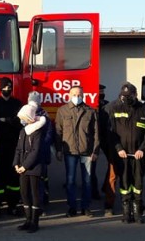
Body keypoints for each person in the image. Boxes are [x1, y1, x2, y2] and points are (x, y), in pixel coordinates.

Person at [108, 83, 145, 224]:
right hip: (122, 155)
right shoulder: (115, 109)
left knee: (138, 183)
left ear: (135, 95)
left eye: (130, 95)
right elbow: (111, 133)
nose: (127, 98)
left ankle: (138, 211)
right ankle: (126, 212)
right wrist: (118, 148)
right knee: (125, 183)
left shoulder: (144, 110)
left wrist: (143, 148)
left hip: (139, 155)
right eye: (124, 96)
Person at [55, 85, 99, 217]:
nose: (77, 97)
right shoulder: (62, 111)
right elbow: (58, 132)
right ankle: (72, 207)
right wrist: (58, 150)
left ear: (83, 95)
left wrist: (95, 151)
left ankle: (86, 207)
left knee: (87, 181)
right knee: (70, 180)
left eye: (79, 94)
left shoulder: (90, 111)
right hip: (70, 152)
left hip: (87, 151)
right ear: (69, 95)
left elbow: (96, 133)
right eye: (74, 94)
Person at [0, 77, 23, 216]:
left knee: (14, 178)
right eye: (5, 88)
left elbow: (20, 122)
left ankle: (13, 204)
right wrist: (10, 121)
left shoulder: (17, 104)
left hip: (15, 147)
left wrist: (7, 120)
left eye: (9, 88)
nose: (7, 90)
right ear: (0, 89)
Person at [13, 103, 47, 233]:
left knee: (35, 194)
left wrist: (25, 166)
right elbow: (18, 148)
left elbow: (35, 151)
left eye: (24, 118)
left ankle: (34, 222)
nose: (22, 120)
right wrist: (16, 163)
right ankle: (27, 220)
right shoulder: (23, 130)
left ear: (30, 118)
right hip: (22, 168)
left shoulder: (37, 131)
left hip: (34, 168)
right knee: (24, 193)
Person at [27, 91, 55, 209]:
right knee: (28, 181)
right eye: (32, 101)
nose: (34, 104)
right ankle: (29, 203)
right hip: (28, 153)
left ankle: (41, 204)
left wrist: (40, 145)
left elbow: (49, 134)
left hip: (42, 153)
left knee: (41, 180)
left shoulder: (44, 115)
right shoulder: (26, 113)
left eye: (36, 101)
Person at [90, 84, 108, 200]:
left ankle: (106, 187)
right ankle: (94, 191)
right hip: (94, 138)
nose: (101, 92)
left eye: (102, 90)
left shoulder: (107, 104)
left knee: (113, 163)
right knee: (92, 166)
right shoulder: (90, 105)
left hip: (106, 137)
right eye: (99, 91)